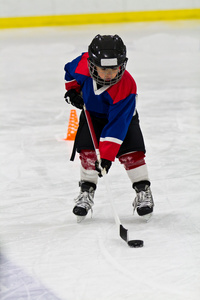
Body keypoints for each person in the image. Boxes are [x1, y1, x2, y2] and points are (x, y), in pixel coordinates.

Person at [64, 34, 154, 222]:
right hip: (92, 116)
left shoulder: (127, 86)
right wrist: (72, 91)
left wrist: (106, 157)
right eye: (103, 69)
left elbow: (117, 125)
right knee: (88, 154)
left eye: (114, 69)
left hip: (123, 119)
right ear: (92, 64)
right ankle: (86, 192)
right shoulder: (81, 65)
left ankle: (143, 190)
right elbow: (69, 71)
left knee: (132, 153)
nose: (108, 74)